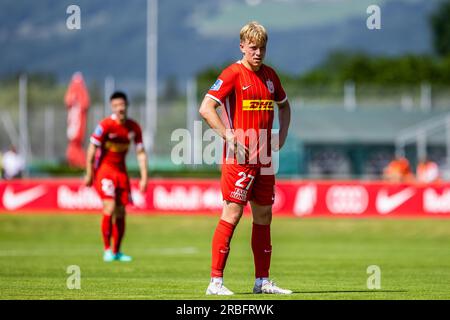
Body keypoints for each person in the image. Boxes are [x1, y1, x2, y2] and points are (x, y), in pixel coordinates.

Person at [199, 21, 292, 295]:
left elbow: (285, 107)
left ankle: (262, 281)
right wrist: (229, 136)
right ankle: (215, 283)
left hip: (263, 159)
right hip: (238, 159)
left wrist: (282, 135)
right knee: (233, 211)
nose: (258, 53)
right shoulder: (232, 74)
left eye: (262, 48)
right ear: (242, 46)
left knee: (264, 214)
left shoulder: (271, 76)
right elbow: (206, 108)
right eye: (253, 48)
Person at [84, 91, 148, 262]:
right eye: (116, 105)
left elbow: (140, 152)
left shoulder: (133, 127)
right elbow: (92, 148)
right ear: (112, 107)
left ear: (127, 106)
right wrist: (89, 172)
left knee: (121, 211)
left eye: (122, 105)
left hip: (121, 172)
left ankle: (117, 251)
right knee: (110, 207)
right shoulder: (105, 125)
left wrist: (144, 177)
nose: (120, 108)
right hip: (104, 171)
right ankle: (107, 250)